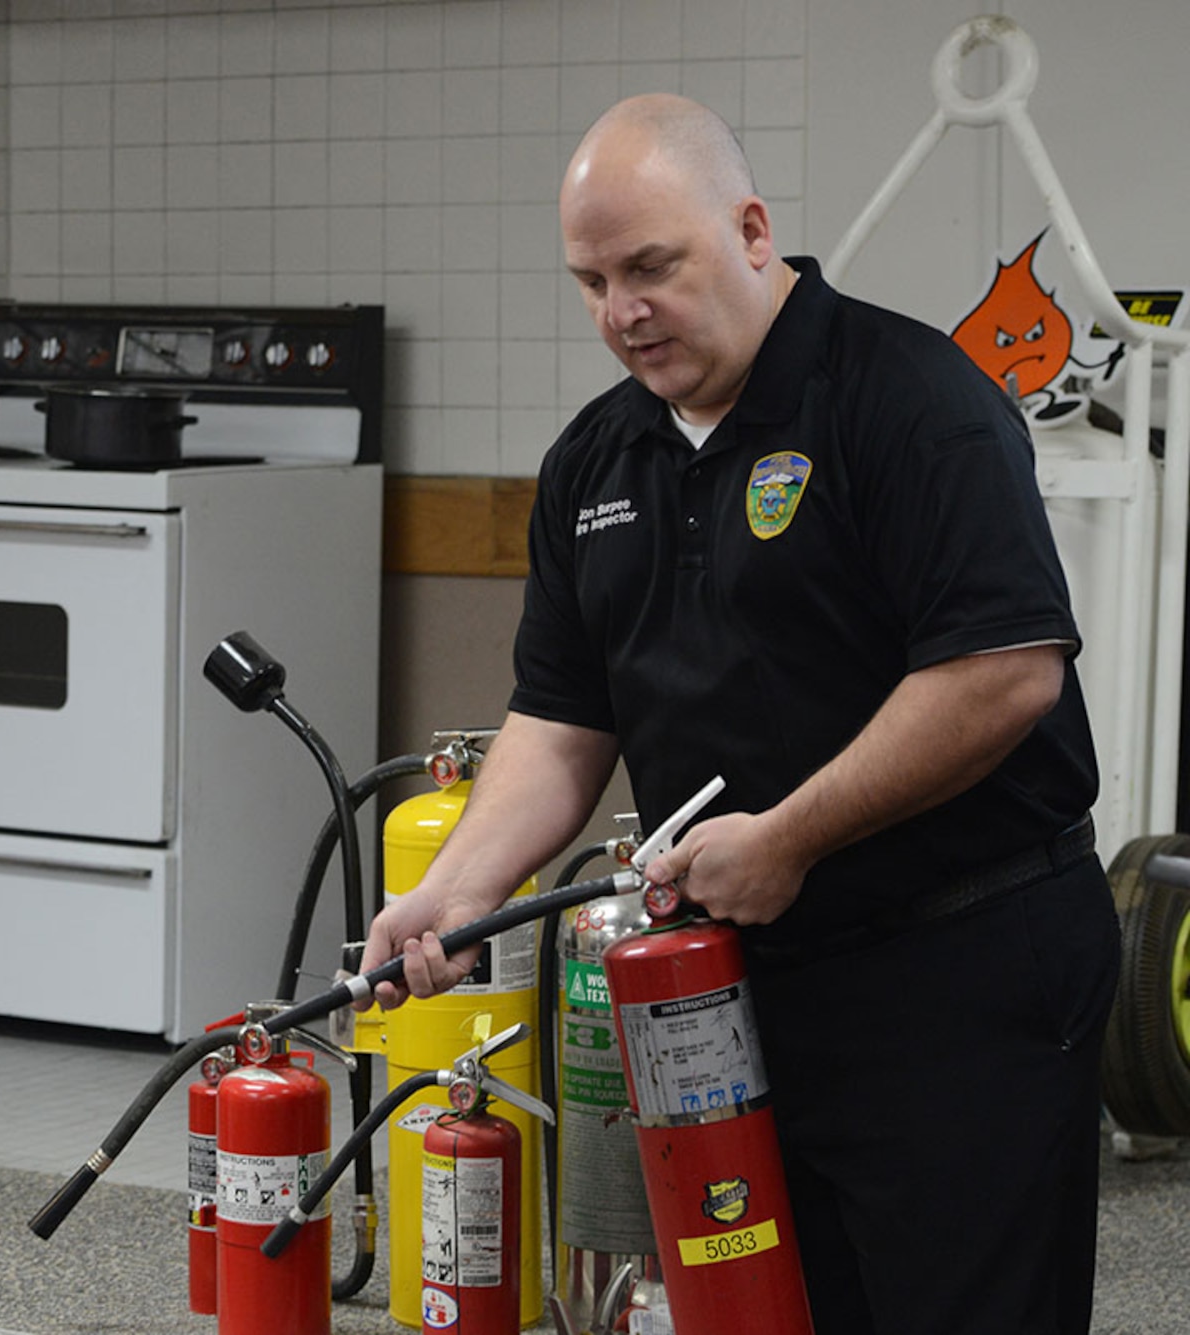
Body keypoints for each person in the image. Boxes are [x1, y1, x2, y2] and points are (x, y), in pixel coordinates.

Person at [357, 93, 1120, 1335]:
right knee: (764, 1309)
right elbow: (558, 723)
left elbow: (1001, 670)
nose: (621, 310)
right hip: (734, 992)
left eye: (649, 265)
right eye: (592, 280)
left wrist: (789, 837)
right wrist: (459, 889)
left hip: (961, 969)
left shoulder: (908, 398)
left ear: (752, 229)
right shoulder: (594, 465)